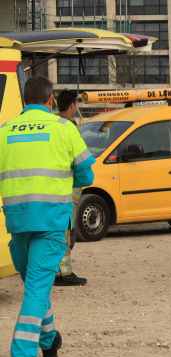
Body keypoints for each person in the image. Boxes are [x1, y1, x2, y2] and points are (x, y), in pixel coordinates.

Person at [0, 76, 95, 357]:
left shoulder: (5, 131)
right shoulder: (64, 128)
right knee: (36, 291)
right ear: (51, 100)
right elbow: (87, 175)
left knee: (35, 289)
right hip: (51, 222)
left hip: (18, 223)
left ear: (24, 100)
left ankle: (50, 340)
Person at [53, 90, 87, 286]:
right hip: (69, 191)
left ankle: (57, 270)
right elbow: (79, 161)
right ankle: (64, 274)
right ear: (73, 105)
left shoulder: (53, 125)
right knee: (66, 234)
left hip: (55, 189)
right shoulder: (71, 128)